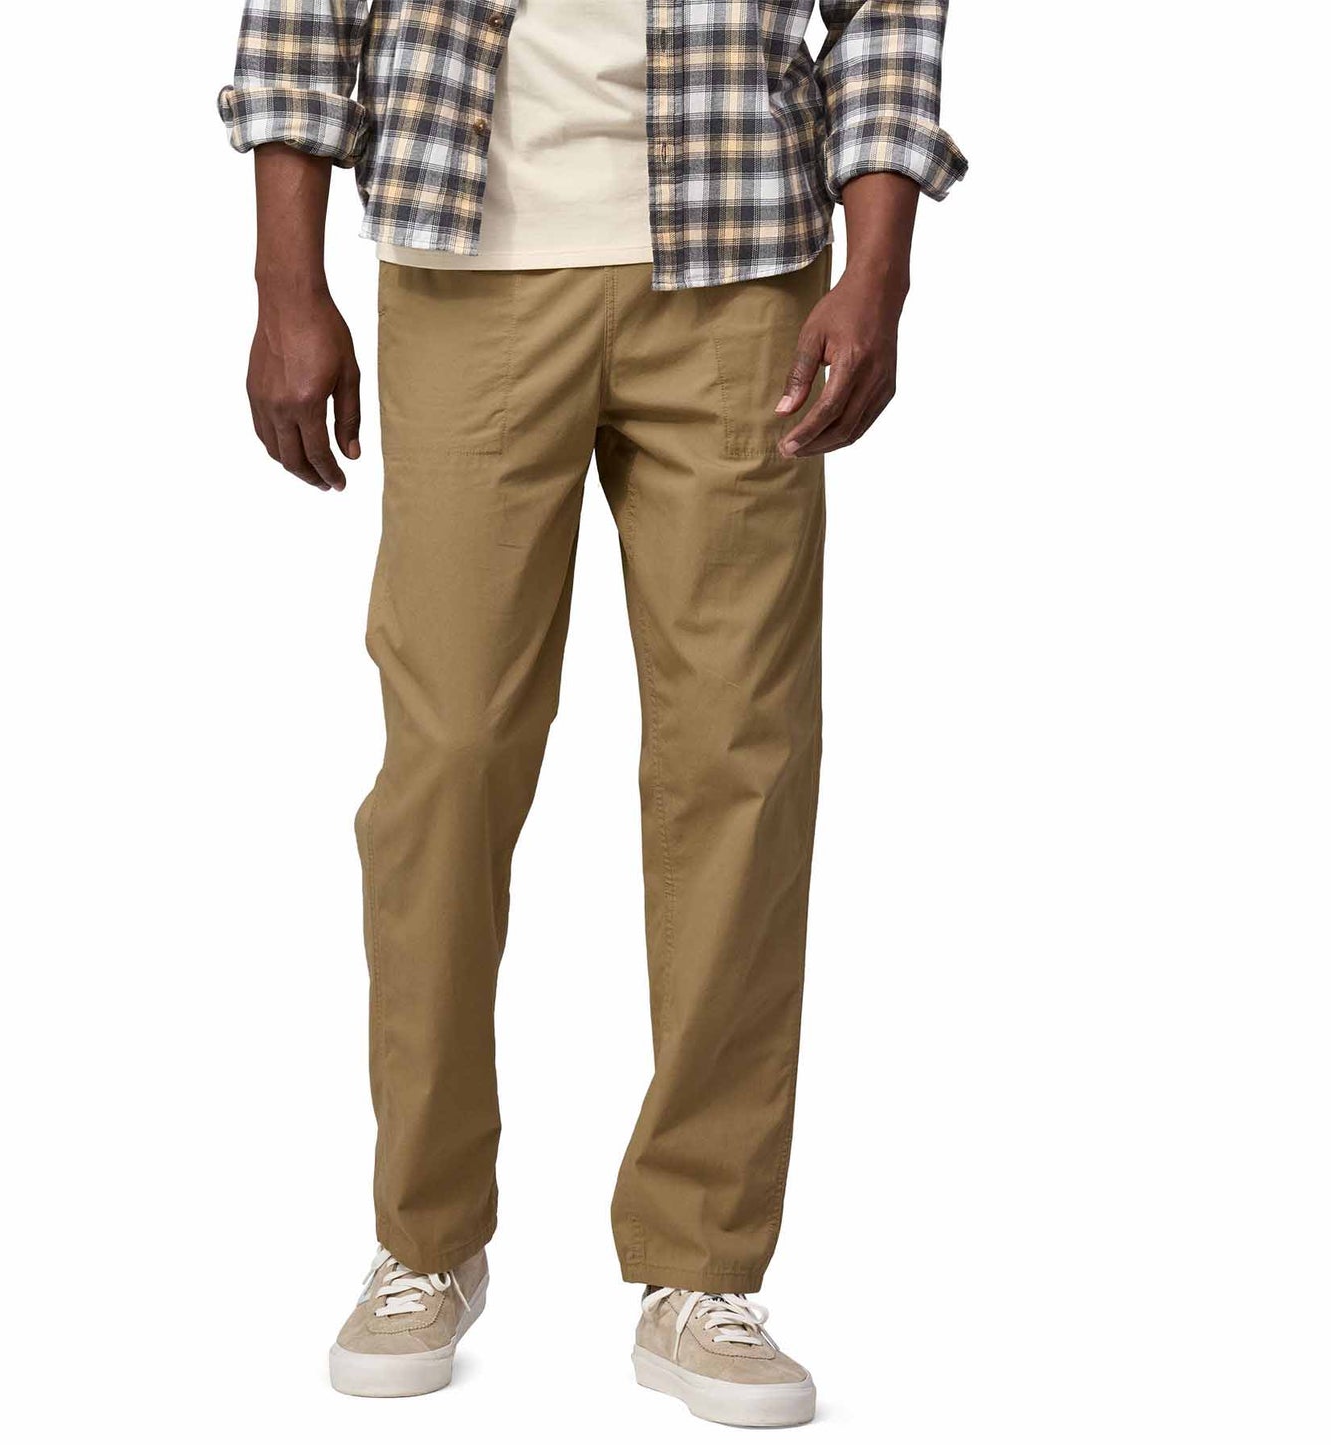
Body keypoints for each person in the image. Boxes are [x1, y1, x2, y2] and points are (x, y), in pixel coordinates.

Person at [219, 0, 964, 1427]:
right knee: (447, 759)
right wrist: (284, 282)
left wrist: (881, 270)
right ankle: (424, 1237)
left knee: (740, 758)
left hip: (743, 257)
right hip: (467, 258)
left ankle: (704, 1265)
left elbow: (887, 13)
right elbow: (303, 16)